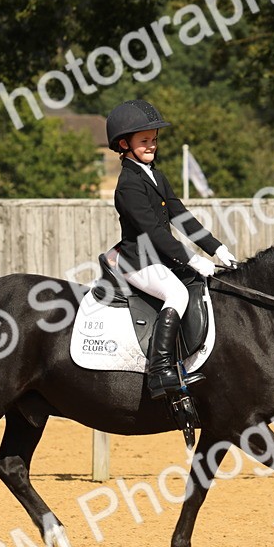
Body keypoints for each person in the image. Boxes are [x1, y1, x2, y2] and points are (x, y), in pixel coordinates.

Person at [106, 99, 237, 400]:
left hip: (160, 258)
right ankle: (160, 370)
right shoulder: (128, 184)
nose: (151, 145)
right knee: (176, 294)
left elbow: (180, 215)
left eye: (154, 140)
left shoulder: (155, 174)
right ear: (124, 144)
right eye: (144, 141)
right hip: (137, 261)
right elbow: (153, 231)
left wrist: (217, 248)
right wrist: (191, 258)